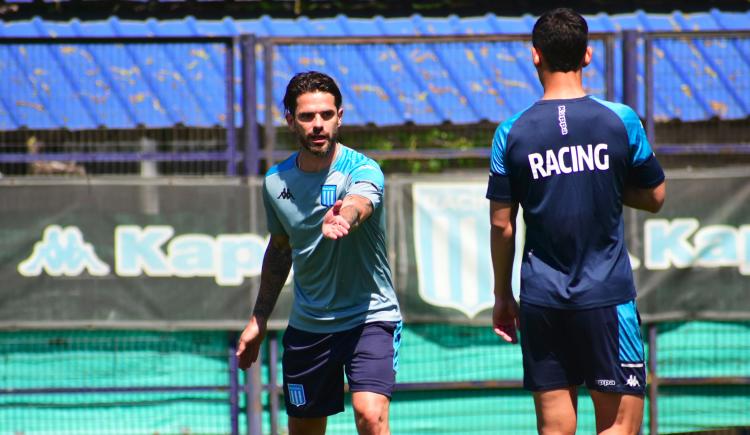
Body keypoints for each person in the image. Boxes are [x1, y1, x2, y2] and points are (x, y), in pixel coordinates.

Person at [486, 8, 666, 435]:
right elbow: (656, 196)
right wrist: (600, 180)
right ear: (588, 56)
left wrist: (501, 295)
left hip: (540, 299)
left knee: (554, 428)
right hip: (607, 297)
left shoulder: (510, 132)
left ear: (535, 56)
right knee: (619, 426)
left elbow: (501, 224)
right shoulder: (619, 119)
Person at [236, 71, 402, 435]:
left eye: (326, 115)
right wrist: (258, 319)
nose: (318, 125)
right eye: (308, 116)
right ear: (290, 120)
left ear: (339, 116)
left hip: (369, 317)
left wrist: (345, 216)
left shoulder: (362, 169)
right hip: (310, 326)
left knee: (371, 416)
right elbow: (280, 250)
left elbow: (361, 201)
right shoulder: (276, 181)